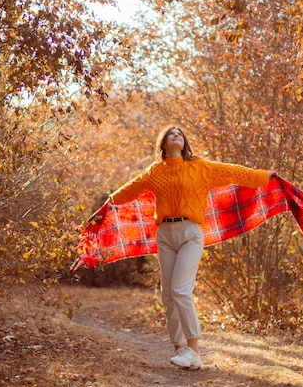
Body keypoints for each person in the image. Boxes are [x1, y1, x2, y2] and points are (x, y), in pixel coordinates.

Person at [107, 125, 272, 369]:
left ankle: (194, 350)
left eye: (180, 134)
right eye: (171, 134)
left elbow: (234, 172)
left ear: (184, 142)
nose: (177, 135)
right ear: (163, 144)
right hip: (165, 235)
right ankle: (180, 349)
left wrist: (263, 177)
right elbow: (130, 190)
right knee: (168, 295)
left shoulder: (200, 167)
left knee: (181, 291)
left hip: (190, 234)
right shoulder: (155, 171)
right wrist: (108, 203)